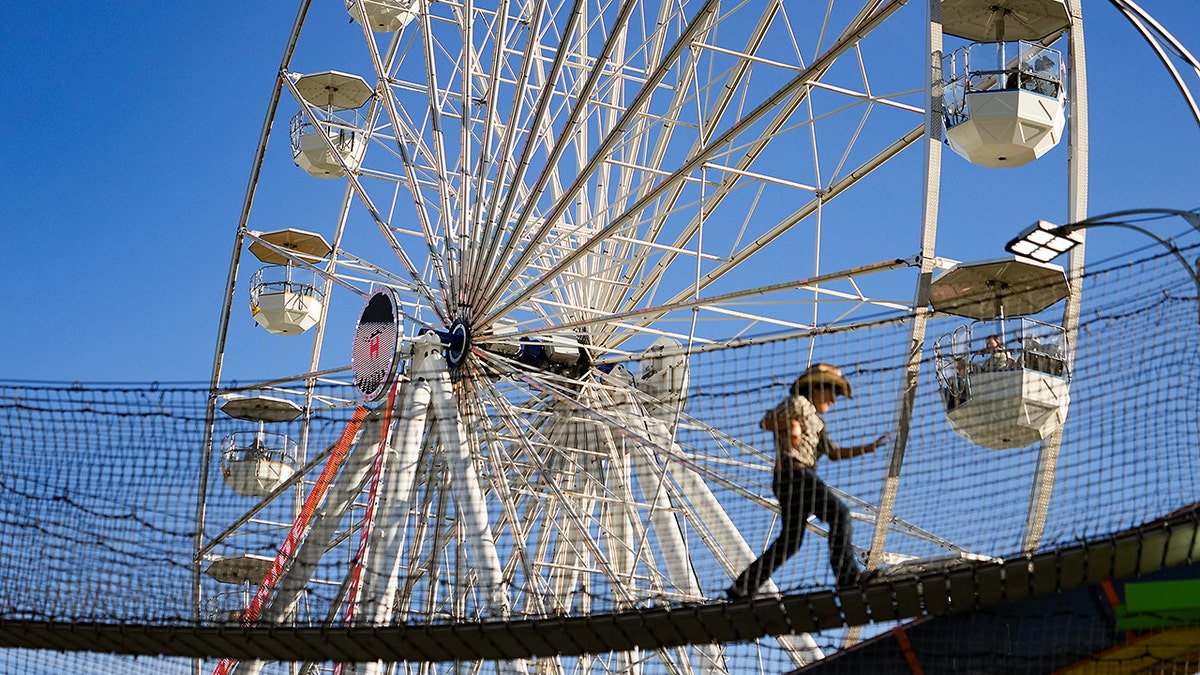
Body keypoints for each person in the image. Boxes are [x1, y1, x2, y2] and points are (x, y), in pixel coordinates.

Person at [727, 363, 889, 598]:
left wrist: (868, 448)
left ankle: (742, 587)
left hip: (794, 479)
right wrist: (790, 424)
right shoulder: (798, 404)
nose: (833, 399)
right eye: (830, 392)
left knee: (791, 541)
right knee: (840, 515)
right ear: (815, 389)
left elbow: (834, 453)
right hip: (794, 474)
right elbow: (766, 422)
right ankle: (848, 578)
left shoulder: (818, 424)